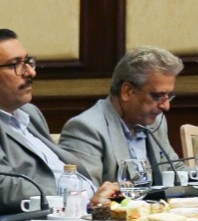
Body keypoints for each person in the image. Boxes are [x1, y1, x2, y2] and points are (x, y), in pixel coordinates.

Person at [0, 29, 107, 216]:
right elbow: (4, 189)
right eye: (15, 65)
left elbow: (56, 169)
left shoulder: (28, 112)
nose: (31, 72)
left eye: (27, 62)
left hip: (77, 212)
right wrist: (80, 199)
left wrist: (97, 194)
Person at [59, 46, 185, 184]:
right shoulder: (86, 129)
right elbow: (84, 190)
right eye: (157, 96)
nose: (166, 106)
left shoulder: (155, 121)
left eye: (169, 96)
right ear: (127, 91)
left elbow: (175, 170)